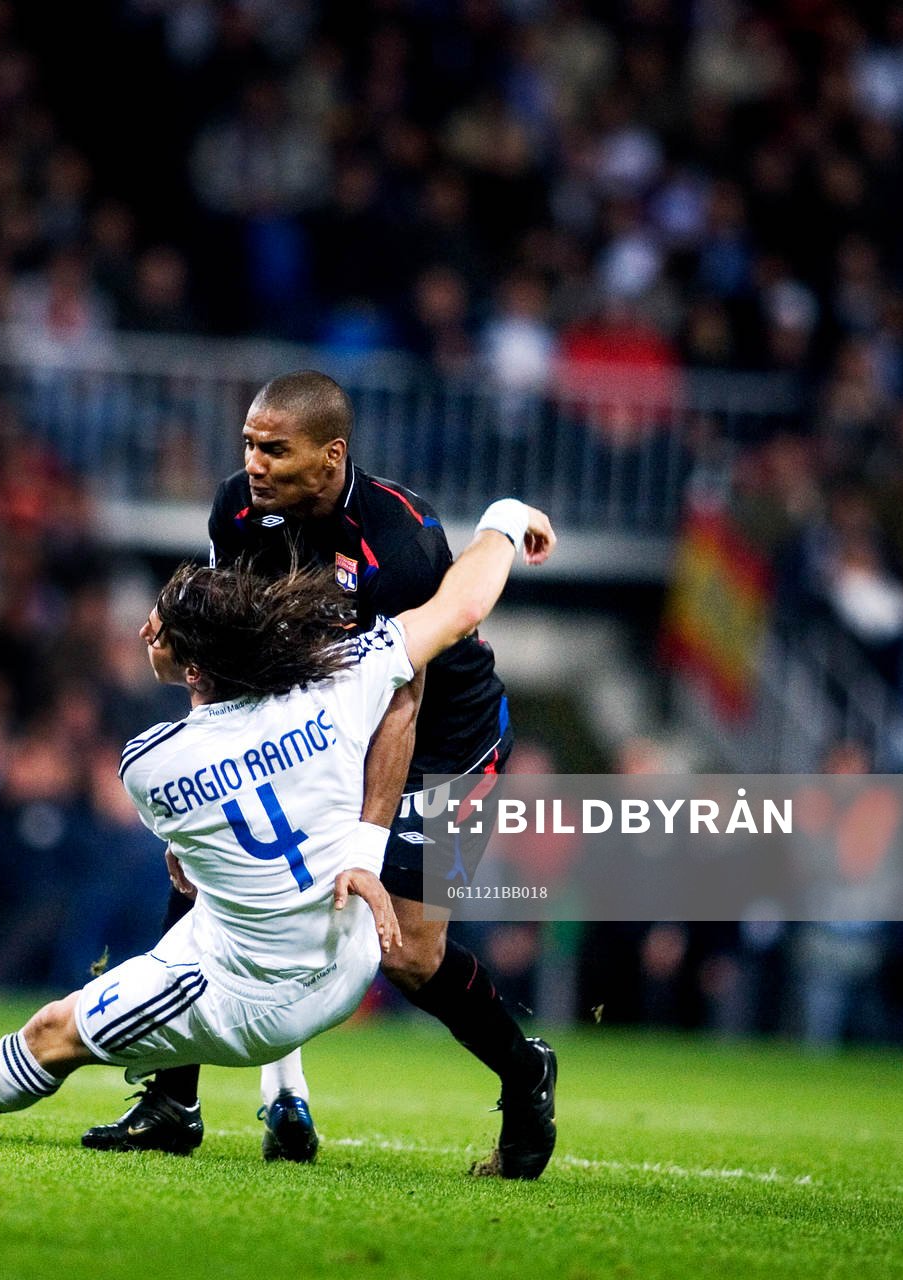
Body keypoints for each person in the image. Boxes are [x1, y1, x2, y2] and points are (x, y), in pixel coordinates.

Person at [0, 499, 556, 1149]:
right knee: (230, 894)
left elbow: (190, 864)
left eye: (156, 628)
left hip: (254, 1004)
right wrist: (504, 519)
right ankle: (281, 1093)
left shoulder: (152, 764)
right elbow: (461, 607)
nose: (145, 632)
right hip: (352, 955)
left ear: (193, 670)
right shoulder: (340, 687)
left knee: (56, 1031)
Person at [82, 370, 554, 1179]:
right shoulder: (237, 509)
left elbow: (404, 701)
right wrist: (209, 790)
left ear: (331, 455)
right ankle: (170, 1100)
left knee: (405, 951)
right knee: (200, 874)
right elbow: (223, 658)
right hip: (327, 717)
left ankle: (525, 1071)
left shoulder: (399, 540)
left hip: (443, 738)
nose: (255, 463)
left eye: (275, 448)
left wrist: (363, 850)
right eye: (249, 446)